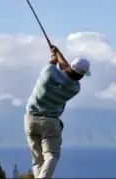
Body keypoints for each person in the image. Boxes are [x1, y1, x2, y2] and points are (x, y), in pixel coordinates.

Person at [24, 45, 91, 179]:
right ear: (82, 75)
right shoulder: (74, 88)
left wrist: (55, 56)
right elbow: (68, 71)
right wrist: (58, 53)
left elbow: (64, 68)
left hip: (30, 119)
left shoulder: (48, 73)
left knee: (38, 159)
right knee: (51, 155)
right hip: (50, 122)